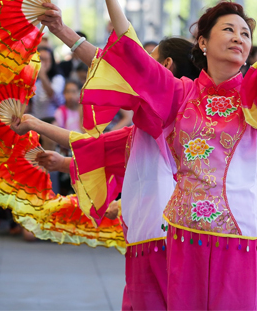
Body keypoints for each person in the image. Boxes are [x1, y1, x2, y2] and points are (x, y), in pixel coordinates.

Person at [15, 0, 257, 310]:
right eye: (228, 29)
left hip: (240, 231)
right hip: (184, 229)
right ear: (203, 42)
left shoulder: (253, 95)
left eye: (245, 34)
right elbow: (135, 61)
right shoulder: (181, 93)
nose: (239, 38)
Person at [15, 36, 200, 310]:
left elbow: (116, 69)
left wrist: (63, 29)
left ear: (167, 66)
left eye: (150, 58)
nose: (141, 65)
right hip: (149, 230)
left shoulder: (170, 114)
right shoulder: (151, 125)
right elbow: (96, 146)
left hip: (159, 231)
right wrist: (52, 148)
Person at [30, 47, 66, 119]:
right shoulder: (32, 79)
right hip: (36, 119)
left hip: (53, 120)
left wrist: (42, 75)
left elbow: (53, 95)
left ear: (51, 61)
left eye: (45, 60)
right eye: (39, 59)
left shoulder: (58, 78)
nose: (42, 63)